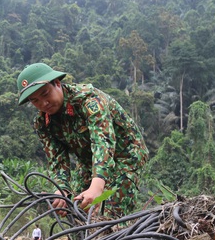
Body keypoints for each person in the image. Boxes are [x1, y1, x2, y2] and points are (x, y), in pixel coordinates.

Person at [17, 63, 149, 219]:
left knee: (107, 214)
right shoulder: (43, 123)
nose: (43, 103)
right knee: (77, 208)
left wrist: (97, 186)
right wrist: (62, 190)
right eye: (35, 101)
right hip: (88, 161)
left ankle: (114, 234)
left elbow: (103, 142)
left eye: (45, 94)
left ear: (57, 84)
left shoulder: (89, 101)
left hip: (125, 156)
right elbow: (57, 160)